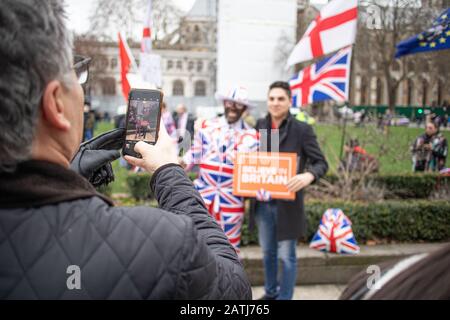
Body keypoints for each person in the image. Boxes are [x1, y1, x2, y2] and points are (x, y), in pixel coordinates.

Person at [0, 0, 251, 300]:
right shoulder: (165, 243)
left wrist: (67, 178)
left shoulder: (251, 134)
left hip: (231, 204)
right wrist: (170, 172)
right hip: (205, 209)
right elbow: (234, 293)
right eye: (77, 75)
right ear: (55, 103)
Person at [250, 81, 328, 300]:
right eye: (272, 98)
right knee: (267, 253)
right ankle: (270, 292)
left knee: (287, 255)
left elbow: (321, 162)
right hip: (262, 203)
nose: (275, 103)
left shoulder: (302, 130)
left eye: (280, 99)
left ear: (289, 101)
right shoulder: (258, 127)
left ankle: (285, 297)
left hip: (288, 203)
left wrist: (308, 175)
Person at [182, 86, 259, 253]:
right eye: (229, 103)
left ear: (244, 109)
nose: (232, 108)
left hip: (232, 202)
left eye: (238, 105)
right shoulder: (207, 127)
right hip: (202, 198)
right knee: (196, 245)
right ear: (224, 103)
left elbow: (256, 172)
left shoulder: (253, 136)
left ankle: (227, 279)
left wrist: (264, 187)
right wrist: (177, 163)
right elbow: (193, 154)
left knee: (229, 250)